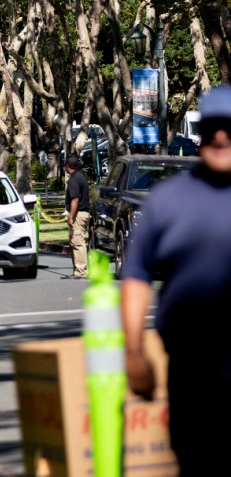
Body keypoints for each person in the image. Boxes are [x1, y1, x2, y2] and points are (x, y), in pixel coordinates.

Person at [121, 86, 231, 474]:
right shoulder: (167, 201)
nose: (221, 136)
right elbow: (135, 277)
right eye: (214, 127)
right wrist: (134, 351)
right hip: (190, 371)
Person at [63, 155, 89, 279]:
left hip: (78, 214)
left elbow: (75, 200)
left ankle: (81, 271)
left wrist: (71, 217)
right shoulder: (80, 177)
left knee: (78, 242)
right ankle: (77, 270)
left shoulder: (73, 180)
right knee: (74, 241)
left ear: (68, 167)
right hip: (81, 213)